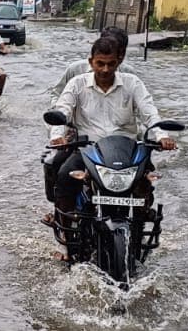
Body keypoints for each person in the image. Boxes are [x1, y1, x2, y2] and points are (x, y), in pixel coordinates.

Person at [47, 28, 176, 223]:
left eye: (111, 64)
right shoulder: (77, 83)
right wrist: (57, 135)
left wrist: (162, 136)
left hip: (128, 151)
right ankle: (65, 229)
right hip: (88, 149)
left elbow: (149, 112)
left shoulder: (133, 83)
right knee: (65, 176)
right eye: (100, 64)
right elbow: (62, 109)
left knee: (146, 181)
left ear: (119, 61)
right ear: (91, 62)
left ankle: (140, 220)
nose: (105, 70)